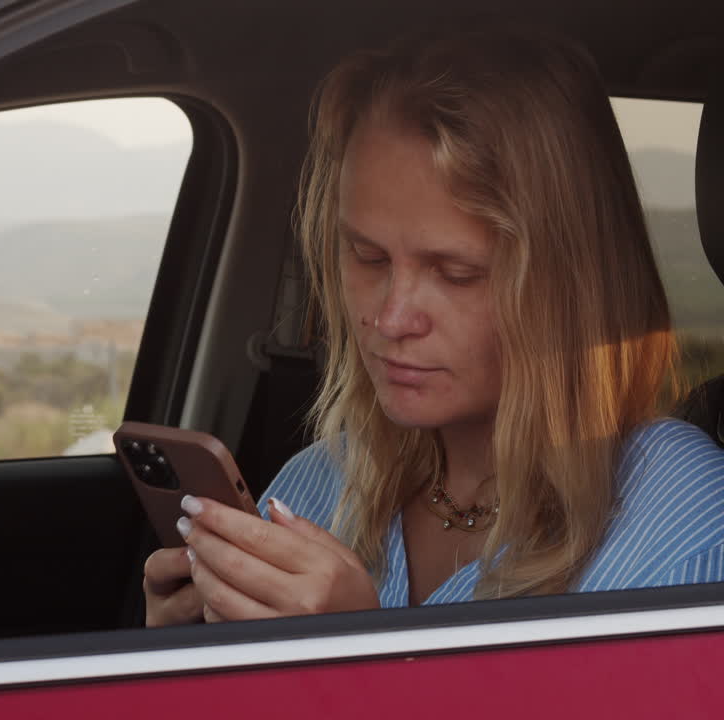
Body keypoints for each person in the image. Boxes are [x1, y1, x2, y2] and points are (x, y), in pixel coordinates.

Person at [145, 27, 724, 625]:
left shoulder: (686, 525)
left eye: (456, 273)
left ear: (572, 284)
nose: (390, 319)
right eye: (367, 257)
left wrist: (355, 657)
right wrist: (175, 655)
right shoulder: (319, 482)